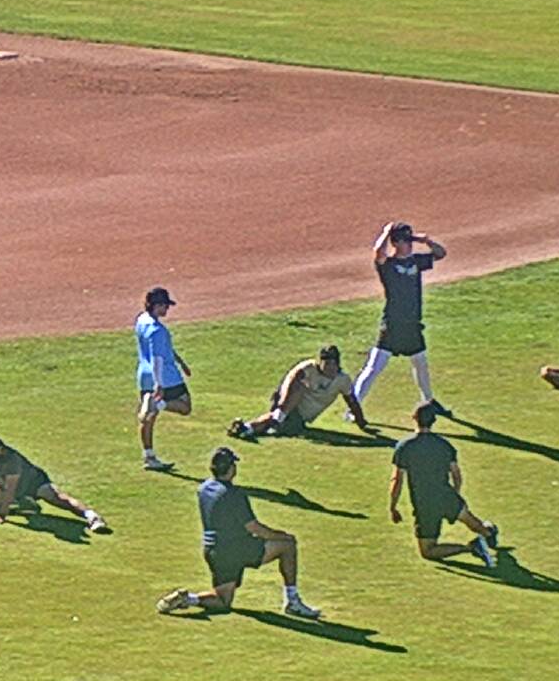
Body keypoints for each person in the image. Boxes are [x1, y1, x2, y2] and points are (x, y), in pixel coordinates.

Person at [156, 446, 322, 618]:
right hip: (236, 550)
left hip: (213, 551)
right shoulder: (234, 494)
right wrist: (282, 536)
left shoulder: (204, 488)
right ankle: (293, 602)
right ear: (231, 468)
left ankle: (188, 599)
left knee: (222, 602)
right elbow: (254, 528)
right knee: (287, 546)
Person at [351, 221, 450, 417]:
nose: (410, 244)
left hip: (412, 325)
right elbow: (377, 253)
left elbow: (440, 254)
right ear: (395, 243)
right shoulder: (388, 265)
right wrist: (386, 232)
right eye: (406, 241)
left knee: (420, 364)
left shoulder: (415, 261)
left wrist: (427, 241)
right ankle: (353, 408)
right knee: (373, 368)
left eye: (410, 240)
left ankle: (428, 401)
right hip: (393, 325)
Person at [388, 401, 499, 566]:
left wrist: (393, 507)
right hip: (446, 495)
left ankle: (471, 548)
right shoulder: (444, 445)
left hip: (425, 504)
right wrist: (455, 495)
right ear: (434, 421)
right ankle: (488, 532)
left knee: (428, 551)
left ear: (414, 418)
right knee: (471, 521)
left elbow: (397, 480)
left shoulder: (405, 447)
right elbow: (456, 475)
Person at [0, 435, 109, 532]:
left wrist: (1, 516)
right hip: (7, 488)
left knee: (59, 499)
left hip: (34, 483)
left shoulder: (12, 458)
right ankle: (23, 503)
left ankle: (92, 517)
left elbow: (12, 487)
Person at [229, 344, 369, 440]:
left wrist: (361, 420)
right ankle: (258, 425)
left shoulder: (342, 380)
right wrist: (282, 406)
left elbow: (351, 400)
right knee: (280, 416)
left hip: (301, 417)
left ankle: (247, 428)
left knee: (282, 427)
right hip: (289, 403)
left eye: (333, 364)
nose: (330, 369)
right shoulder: (308, 368)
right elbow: (291, 381)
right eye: (327, 364)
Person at [135, 286, 192, 472]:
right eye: (164, 306)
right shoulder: (158, 330)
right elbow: (157, 356)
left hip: (144, 375)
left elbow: (163, 349)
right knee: (184, 406)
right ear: (156, 305)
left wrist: (180, 361)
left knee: (148, 420)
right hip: (166, 376)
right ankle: (157, 404)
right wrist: (159, 384)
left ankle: (149, 456)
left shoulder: (141, 320)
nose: (167, 309)